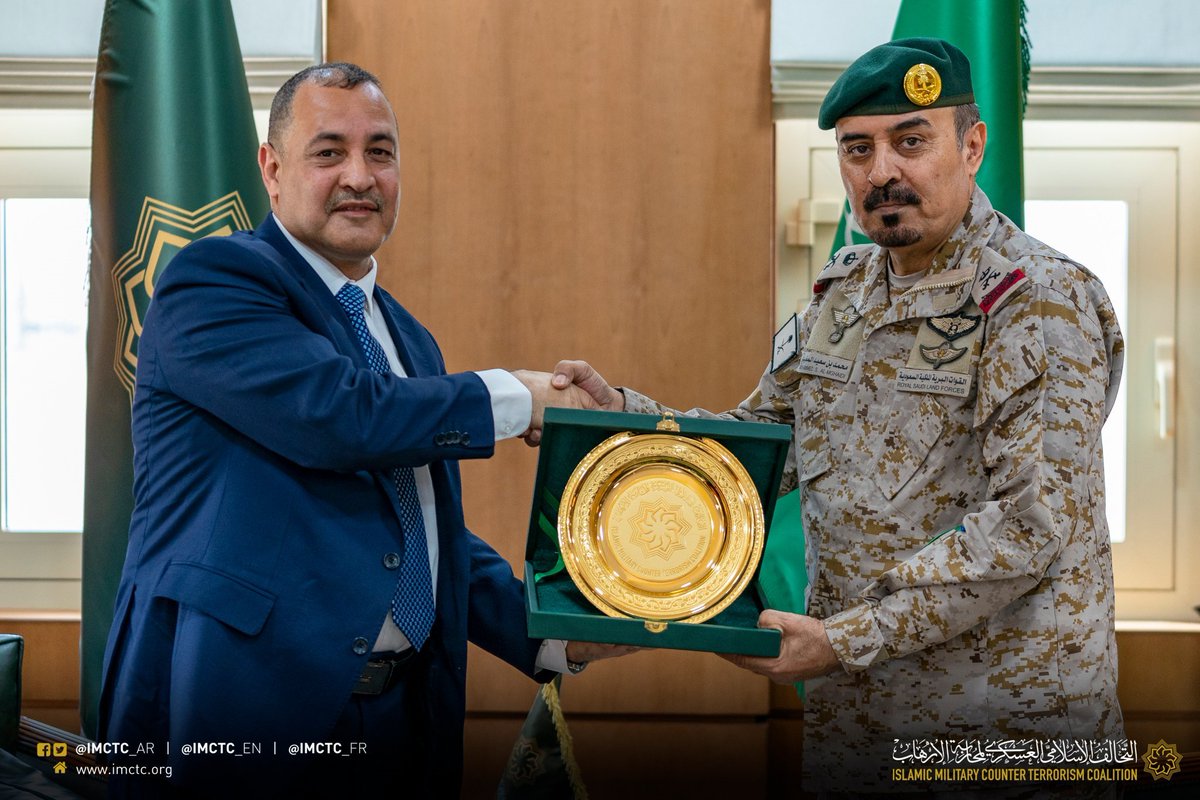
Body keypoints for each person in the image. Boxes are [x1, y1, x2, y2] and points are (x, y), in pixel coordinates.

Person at [557, 38, 1126, 793]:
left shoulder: (1039, 299)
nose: (881, 171)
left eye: (910, 142)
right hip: (859, 727)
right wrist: (624, 422)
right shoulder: (845, 293)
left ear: (972, 147)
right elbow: (764, 447)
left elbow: (1028, 526)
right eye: (858, 149)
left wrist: (842, 640)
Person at [98, 62, 629, 798]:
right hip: (241, 711)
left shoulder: (408, 338)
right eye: (329, 152)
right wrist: (519, 396)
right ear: (272, 169)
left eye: (380, 152)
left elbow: (419, 528)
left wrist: (551, 633)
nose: (359, 175)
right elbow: (339, 418)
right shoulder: (214, 281)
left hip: (402, 720)